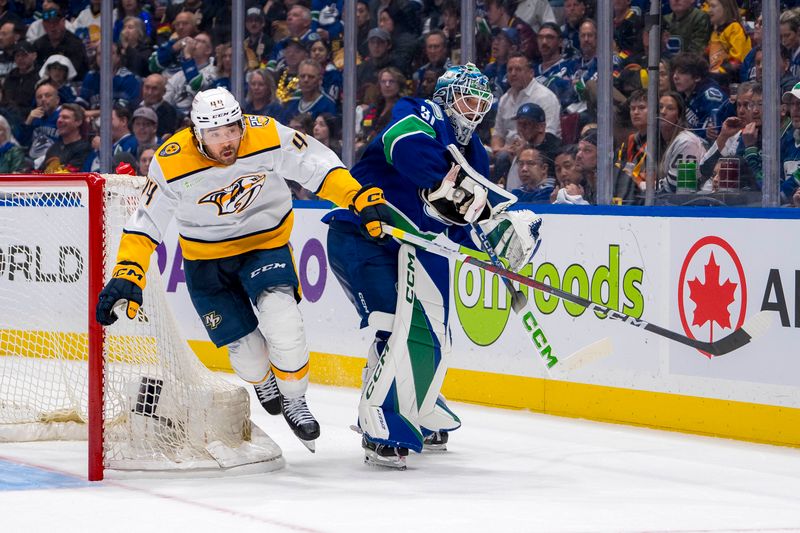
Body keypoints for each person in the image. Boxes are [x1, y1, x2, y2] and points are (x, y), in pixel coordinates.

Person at [95, 87, 384, 452]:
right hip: (205, 260)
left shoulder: (264, 133)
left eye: (232, 129)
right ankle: (263, 379)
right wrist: (128, 271)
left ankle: (294, 399)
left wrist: (355, 195)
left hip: (265, 244)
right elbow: (147, 220)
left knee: (284, 322)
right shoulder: (171, 160)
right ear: (196, 132)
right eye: (215, 135)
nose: (226, 141)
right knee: (248, 357)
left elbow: (316, 164)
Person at [324, 64, 540, 469]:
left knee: (435, 330)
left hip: (413, 245)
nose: (474, 110)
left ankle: (415, 398)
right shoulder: (419, 111)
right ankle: (381, 422)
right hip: (363, 235)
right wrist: (468, 196)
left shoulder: (474, 152)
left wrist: (492, 239)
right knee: (395, 325)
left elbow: (457, 220)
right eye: (467, 99)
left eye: (481, 103)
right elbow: (404, 148)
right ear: (445, 95)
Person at [657, 91, 707, 193]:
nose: (663, 112)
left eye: (670, 108)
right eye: (660, 107)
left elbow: (676, 185)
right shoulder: (660, 140)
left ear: (679, 116)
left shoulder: (686, 142)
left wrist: (644, 184)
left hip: (693, 205)